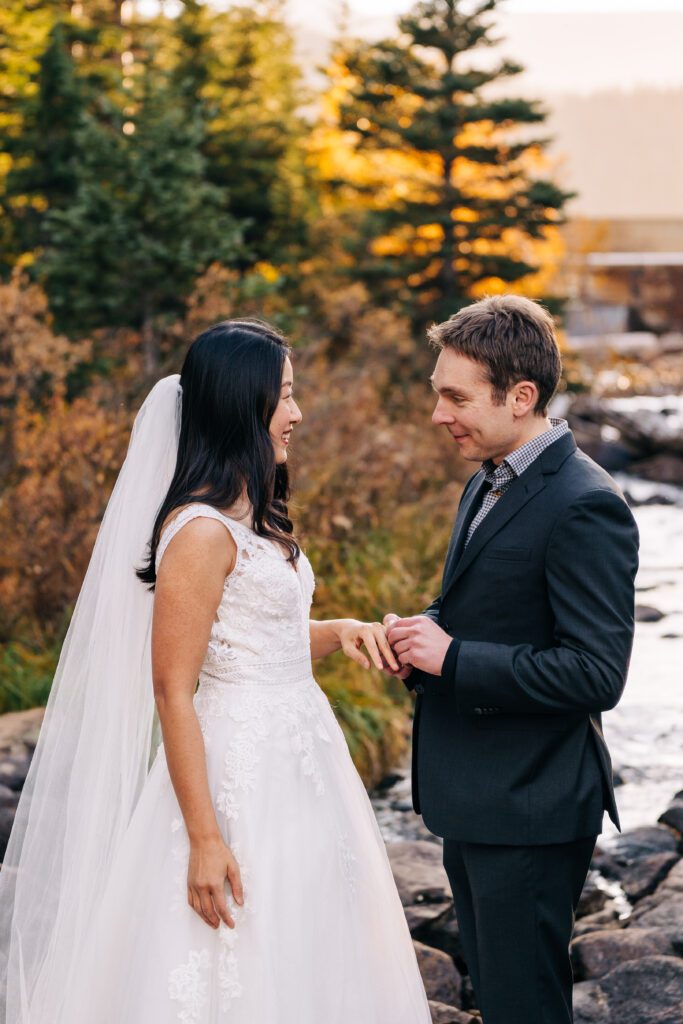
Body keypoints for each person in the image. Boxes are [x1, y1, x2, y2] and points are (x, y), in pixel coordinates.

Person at [0, 319, 432, 1023]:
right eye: (283, 397)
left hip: (304, 762)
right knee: (233, 951)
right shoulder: (200, 532)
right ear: (242, 404)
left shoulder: (252, 515)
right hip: (238, 771)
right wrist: (204, 838)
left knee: (311, 937)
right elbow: (173, 686)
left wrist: (341, 631)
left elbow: (262, 640)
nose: (296, 414)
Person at [384, 295, 639, 1024]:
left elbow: (595, 673)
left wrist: (455, 657)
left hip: (530, 807)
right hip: (478, 798)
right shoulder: (489, 476)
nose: (439, 413)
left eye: (454, 396)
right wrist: (421, 637)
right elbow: (487, 609)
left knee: (523, 1005)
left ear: (520, 396)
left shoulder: (585, 503)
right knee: (502, 999)